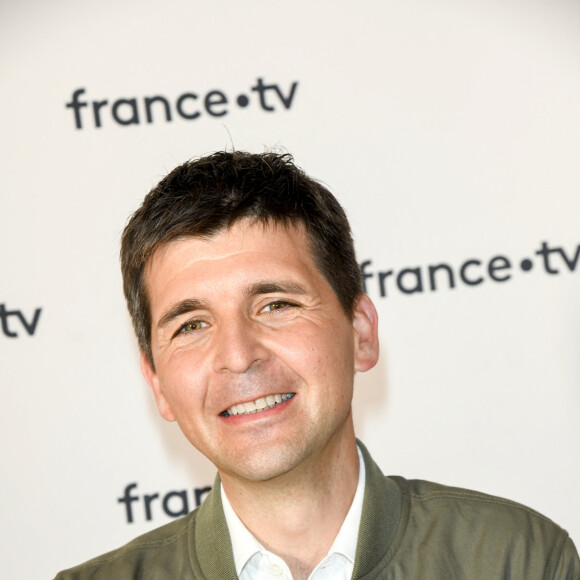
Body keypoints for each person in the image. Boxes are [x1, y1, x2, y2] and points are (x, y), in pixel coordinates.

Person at [56, 151, 579, 579]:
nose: (238, 356)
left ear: (360, 333)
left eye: (276, 305)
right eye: (191, 325)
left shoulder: (520, 560)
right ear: (158, 385)